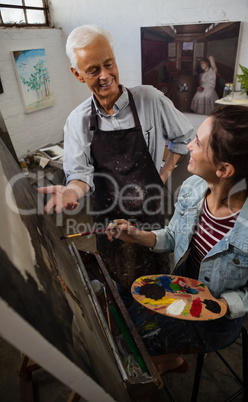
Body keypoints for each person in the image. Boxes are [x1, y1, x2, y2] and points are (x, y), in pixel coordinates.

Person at [106, 105, 248, 374]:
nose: (189, 145)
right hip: (180, 290)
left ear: (224, 169)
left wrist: (224, 304)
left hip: (213, 321)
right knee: (123, 323)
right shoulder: (193, 189)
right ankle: (168, 361)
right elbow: (172, 236)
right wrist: (135, 235)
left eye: (199, 142)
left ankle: (164, 362)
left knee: (127, 347)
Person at [38, 25, 194, 298]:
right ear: (77, 74)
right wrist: (72, 191)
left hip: (150, 215)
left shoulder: (150, 99)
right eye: (93, 70)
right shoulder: (78, 120)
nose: (105, 76)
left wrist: (164, 173)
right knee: (118, 285)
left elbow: (183, 138)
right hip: (109, 222)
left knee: (156, 283)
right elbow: (80, 173)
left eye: (108, 64)